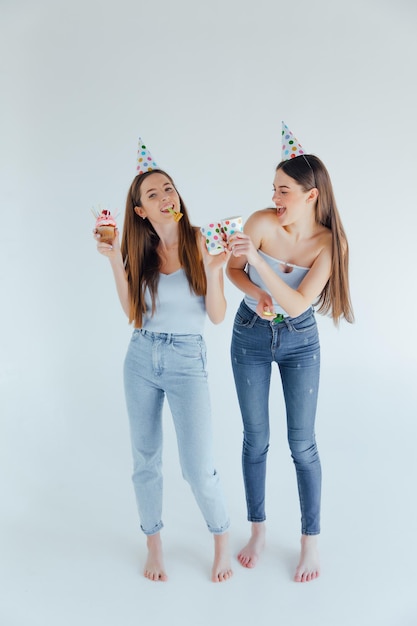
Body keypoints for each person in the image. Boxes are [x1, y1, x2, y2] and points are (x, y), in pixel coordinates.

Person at [94, 139, 233, 583]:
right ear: (140, 212)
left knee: (197, 466)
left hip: (187, 358)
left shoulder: (201, 241)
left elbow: (214, 315)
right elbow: (133, 315)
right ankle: (154, 543)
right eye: (152, 195)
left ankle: (221, 538)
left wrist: (214, 272)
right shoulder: (141, 251)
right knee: (146, 459)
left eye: (168, 189)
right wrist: (115, 261)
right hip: (141, 356)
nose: (164, 197)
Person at [226, 124, 354, 583]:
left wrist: (261, 266)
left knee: (302, 445)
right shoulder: (260, 222)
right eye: (273, 188)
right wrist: (255, 293)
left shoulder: (329, 243)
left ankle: (309, 543)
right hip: (250, 334)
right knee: (255, 439)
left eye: (283, 189)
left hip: (300, 340)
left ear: (311, 195)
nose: (275, 197)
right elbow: (234, 271)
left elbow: (299, 304)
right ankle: (257, 532)